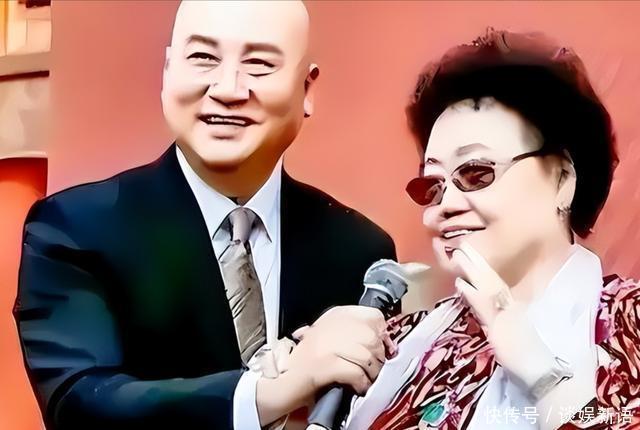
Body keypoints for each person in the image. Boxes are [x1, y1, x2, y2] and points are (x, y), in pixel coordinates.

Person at [13, 1, 396, 429]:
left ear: (307, 89)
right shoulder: (75, 229)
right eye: (203, 57)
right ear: (168, 71)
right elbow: (80, 405)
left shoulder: (359, 251)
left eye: (259, 64)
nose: (228, 89)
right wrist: (276, 390)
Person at [343, 29, 640, 429]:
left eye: (476, 172)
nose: (445, 204)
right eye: (432, 185)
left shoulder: (628, 325)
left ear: (563, 179)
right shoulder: (396, 344)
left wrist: (542, 375)